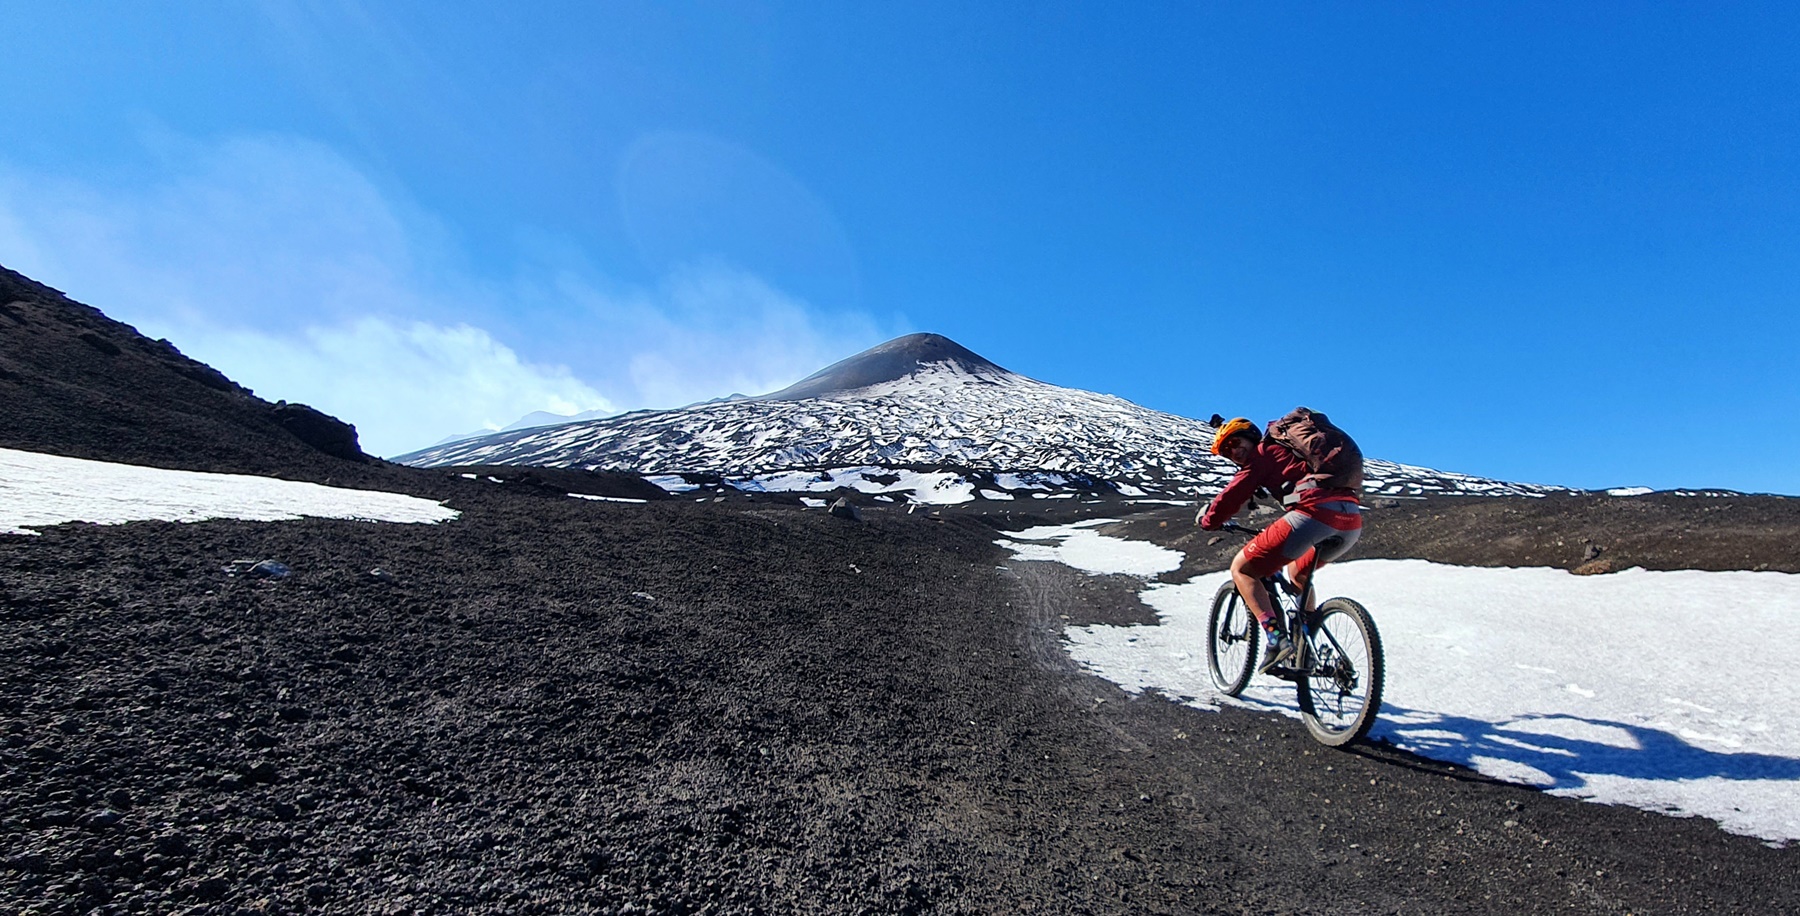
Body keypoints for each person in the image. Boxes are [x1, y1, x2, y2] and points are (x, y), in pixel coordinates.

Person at [1196, 412, 1364, 672]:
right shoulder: (1290, 453)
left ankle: (1277, 640)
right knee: (1298, 573)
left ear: (1251, 436)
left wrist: (1208, 520)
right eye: (1227, 452)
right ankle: (1305, 646)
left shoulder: (1262, 455)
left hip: (1313, 514)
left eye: (1235, 443)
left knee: (1242, 569)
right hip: (1350, 520)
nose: (1234, 452)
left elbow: (1231, 497)